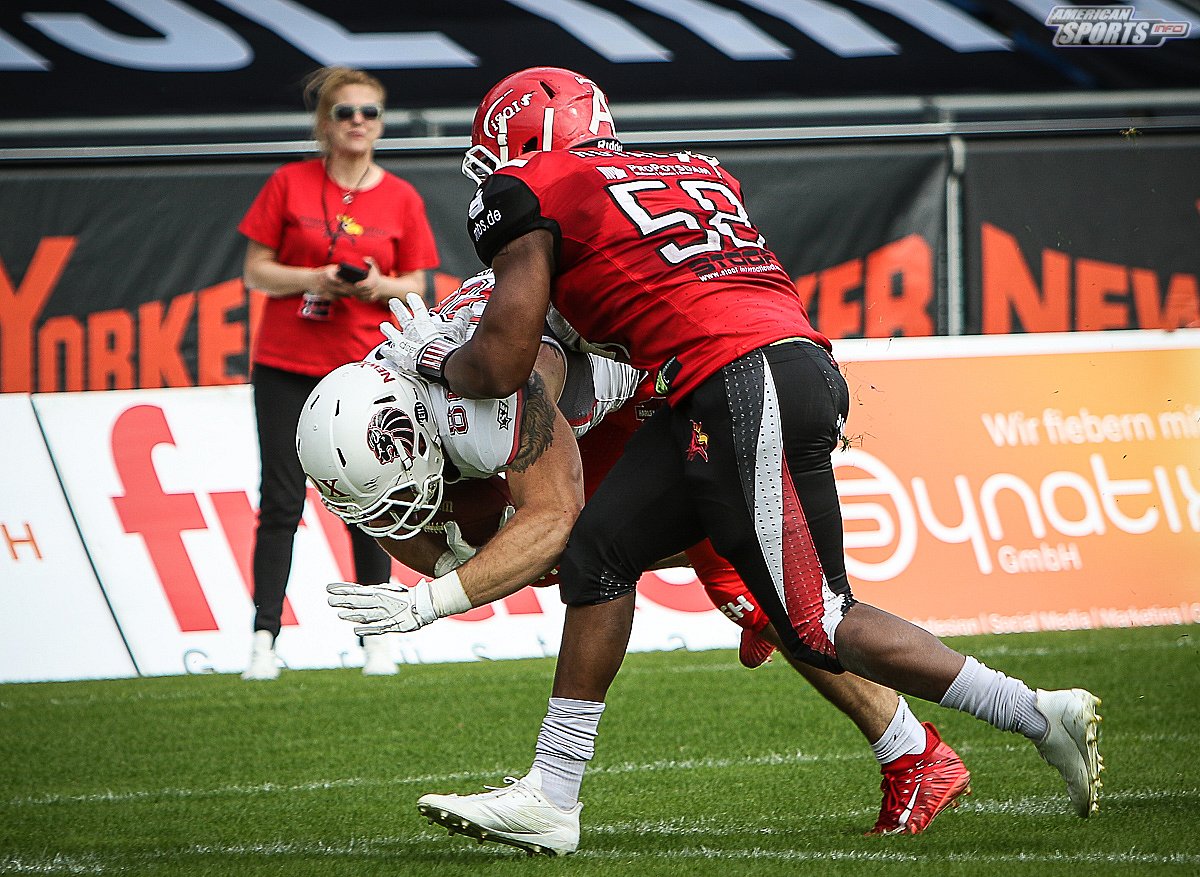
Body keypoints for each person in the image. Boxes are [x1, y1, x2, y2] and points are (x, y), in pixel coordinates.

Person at [380, 67, 1103, 856]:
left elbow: (504, 362)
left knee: (821, 621)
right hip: (753, 370)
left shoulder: (533, 185)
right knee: (601, 548)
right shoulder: (692, 167)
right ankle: (551, 794)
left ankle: (1035, 713)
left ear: (522, 143)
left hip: (735, 379)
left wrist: (435, 360)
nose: (493, 176)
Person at [302, 271, 970, 837]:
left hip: (668, 377)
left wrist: (434, 599)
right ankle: (909, 746)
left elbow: (550, 520)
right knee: (589, 556)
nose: (392, 519)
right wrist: (454, 563)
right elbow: (396, 518)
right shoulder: (376, 402)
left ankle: (918, 748)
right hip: (596, 393)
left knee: (699, 572)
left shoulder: (493, 393)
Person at [237, 65, 439, 679]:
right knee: (281, 499)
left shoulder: (400, 196)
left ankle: (375, 637)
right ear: (323, 123)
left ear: (380, 123)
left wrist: (376, 286)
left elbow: (419, 283)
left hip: (361, 370)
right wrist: (314, 279)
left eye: (368, 112)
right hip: (286, 362)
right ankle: (264, 639)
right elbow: (255, 270)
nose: (357, 123)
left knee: (372, 496)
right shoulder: (289, 182)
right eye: (344, 112)